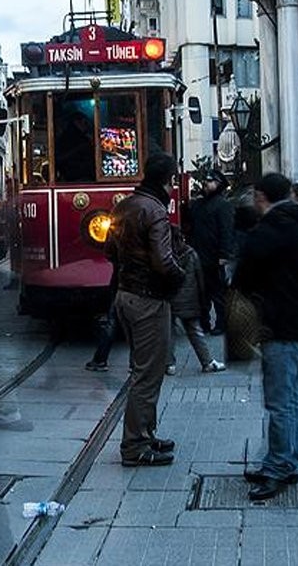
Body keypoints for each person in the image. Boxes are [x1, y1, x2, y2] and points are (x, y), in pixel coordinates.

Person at [232, 173, 298, 501]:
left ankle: (279, 466)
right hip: (294, 321)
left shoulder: (272, 229)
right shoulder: (292, 222)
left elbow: (244, 274)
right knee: (289, 397)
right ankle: (284, 460)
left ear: (260, 195)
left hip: (280, 323)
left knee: (279, 399)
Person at [106, 151, 185, 467]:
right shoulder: (155, 211)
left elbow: (108, 249)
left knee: (144, 370)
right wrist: (181, 277)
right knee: (148, 374)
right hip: (149, 299)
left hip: (125, 294)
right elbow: (163, 261)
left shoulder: (125, 205)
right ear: (167, 180)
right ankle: (135, 445)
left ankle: (146, 433)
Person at [167, 226, 225, 375]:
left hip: (170, 299)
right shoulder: (191, 254)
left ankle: (169, 364)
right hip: (189, 300)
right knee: (195, 331)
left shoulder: (165, 256)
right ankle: (207, 362)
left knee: (169, 333)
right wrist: (203, 300)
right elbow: (200, 278)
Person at [187, 170, 236, 336]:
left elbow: (226, 231)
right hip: (199, 255)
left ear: (219, 184)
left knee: (218, 293)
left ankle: (221, 323)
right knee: (202, 294)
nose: (206, 184)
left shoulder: (223, 205)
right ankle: (204, 323)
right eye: (206, 181)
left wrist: (224, 254)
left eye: (211, 181)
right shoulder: (198, 204)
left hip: (215, 257)